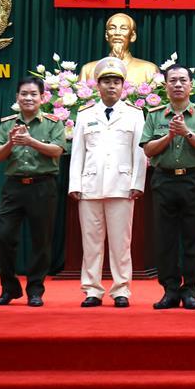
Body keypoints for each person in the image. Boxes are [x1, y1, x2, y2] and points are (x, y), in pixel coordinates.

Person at [69, 57, 147, 308]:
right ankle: (92, 289)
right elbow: (78, 152)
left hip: (122, 186)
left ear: (123, 86)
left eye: (116, 82)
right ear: (97, 86)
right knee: (90, 242)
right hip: (90, 185)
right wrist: (74, 184)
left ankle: (121, 288)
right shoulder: (85, 114)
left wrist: (138, 182)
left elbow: (140, 152)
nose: (111, 86)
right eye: (106, 82)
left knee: (121, 242)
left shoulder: (135, 114)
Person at [141, 64, 195, 310]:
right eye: (172, 80)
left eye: (182, 80)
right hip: (163, 180)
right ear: (165, 86)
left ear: (190, 86)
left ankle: (191, 291)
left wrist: (186, 133)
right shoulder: (154, 115)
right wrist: (168, 137)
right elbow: (147, 149)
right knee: (165, 239)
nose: (177, 84)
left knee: (192, 237)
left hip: (193, 180)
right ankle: (170, 290)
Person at [0, 77, 67, 307]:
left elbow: (57, 150)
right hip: (13, 186)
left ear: (43, 97)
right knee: (3, 237)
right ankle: (9, 289)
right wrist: (12, 143)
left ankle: (35, 290)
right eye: (24, 94)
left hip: (43, 186)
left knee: (40, 241)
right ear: (17, 97)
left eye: (33, 94)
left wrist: (31, 141)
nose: (28, 98)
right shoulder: (7, 124)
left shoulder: (53, 123)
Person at [79, 12, 159, 85]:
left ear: (132, 36)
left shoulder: (149, 69)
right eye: (112, 28)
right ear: (107, 35)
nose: (117, 33)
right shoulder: (88, 69)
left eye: (123, 29)